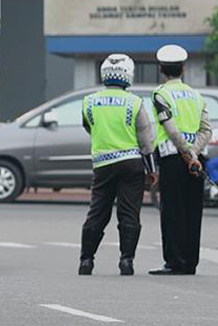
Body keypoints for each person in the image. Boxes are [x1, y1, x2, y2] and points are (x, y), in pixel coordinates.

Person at [78, 54, 157, 276]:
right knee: (129, 212)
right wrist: (151, 170)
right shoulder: (135, 102)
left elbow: (89, 127)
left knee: (98, 212)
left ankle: (86, 260)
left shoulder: (89, 101)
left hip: (102, 164)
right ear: (128, 75)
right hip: (131, 164)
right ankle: (126, 261)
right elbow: (145, 140)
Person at [148, 45, 212, 276]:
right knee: (193, 211)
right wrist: (194, 154)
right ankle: (190, 262)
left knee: (173, 210)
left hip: (173, 159)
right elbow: (206, 130)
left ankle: (174, 262)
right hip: (196, 160)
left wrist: (186, 154)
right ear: (183, 69)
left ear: (161, 70)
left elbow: (171, 130)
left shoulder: (160, 94)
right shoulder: (197, 95)